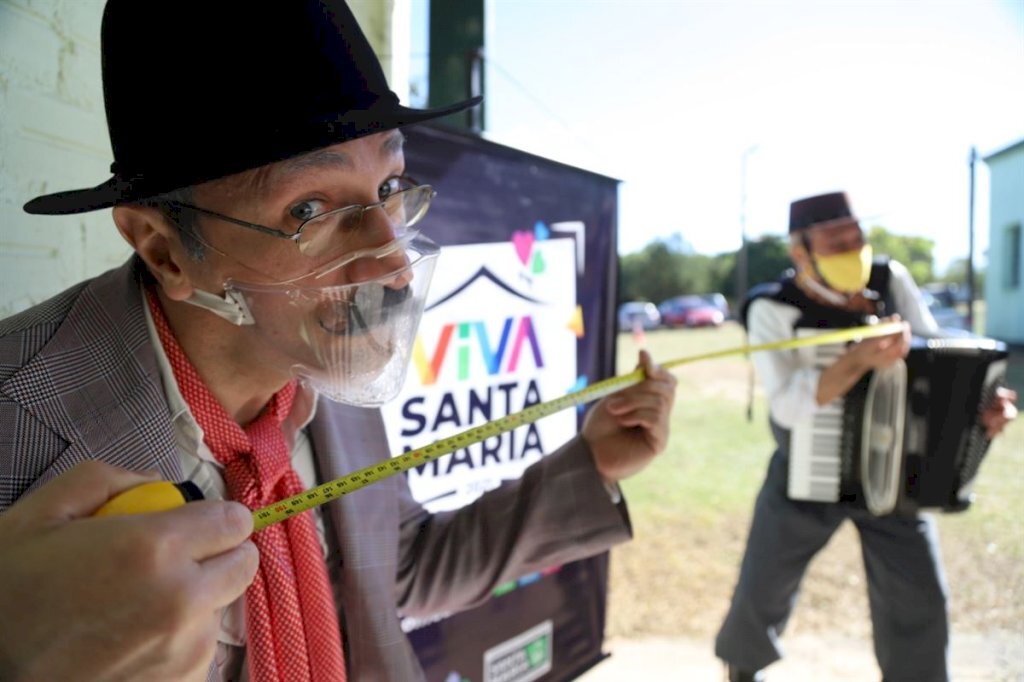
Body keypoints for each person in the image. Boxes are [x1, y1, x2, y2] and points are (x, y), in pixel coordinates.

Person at [0, 2, 678, 680]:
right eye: (309, 209)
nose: (395, 264)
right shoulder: (15, 426)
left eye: (387, 186)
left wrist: (593, 465)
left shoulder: (325, 364)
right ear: (166, 250)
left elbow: (395, 571)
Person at [714, 191, 1018, 682]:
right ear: (801, 252)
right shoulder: (771, 308)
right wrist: (854, 360)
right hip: (803, 474)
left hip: (895, 474)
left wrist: (980, 407)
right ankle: (744, 669)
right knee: (762, 584)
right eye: (836, 242)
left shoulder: (890, 278)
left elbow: (934, 356)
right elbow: (789, 407)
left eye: (857, 238)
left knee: (920, 596)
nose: (853, 249)